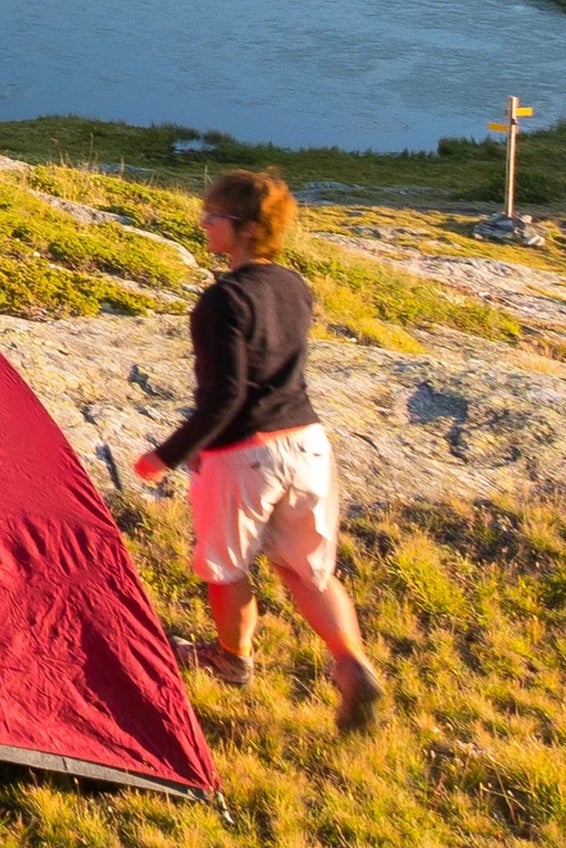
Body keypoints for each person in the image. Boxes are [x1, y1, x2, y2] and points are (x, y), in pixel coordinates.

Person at [131, 169, 387, 732]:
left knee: (225, 569)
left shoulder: (223, 301)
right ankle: (351, 663)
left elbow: (224, 397)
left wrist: (167, 455)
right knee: (308, 573)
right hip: (309, 445)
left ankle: (232, 661)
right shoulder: (296, 287)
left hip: (245, 457)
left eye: (212, 218)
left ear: (243, 230)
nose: (204, 225)